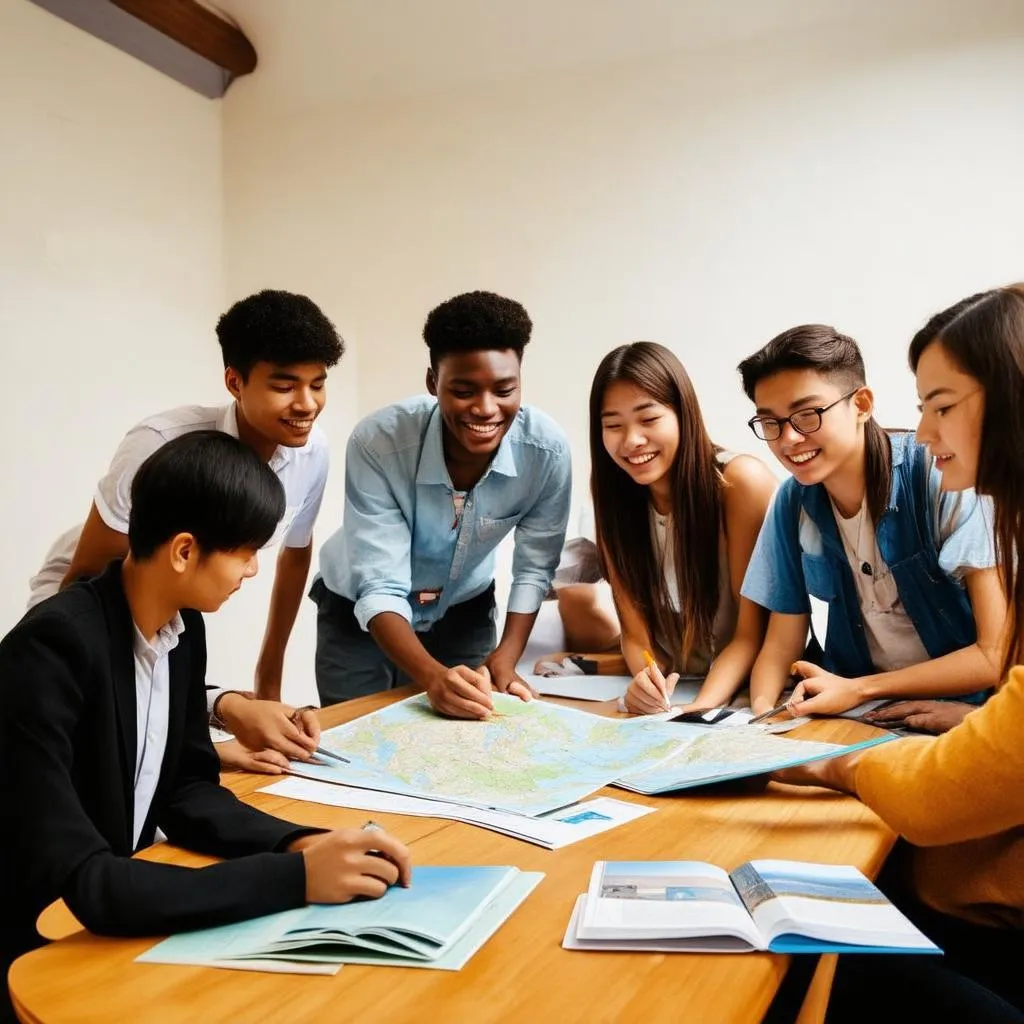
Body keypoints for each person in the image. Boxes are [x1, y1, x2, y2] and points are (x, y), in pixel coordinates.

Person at [0, 433, 411, 1023]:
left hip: (112, 927)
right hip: (38, 951)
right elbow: (90, 885)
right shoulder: (52, 647)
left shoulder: (180, 629)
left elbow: (186, 789)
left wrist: (300, 841)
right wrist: (294, 877)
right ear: (185, 551)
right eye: (245, 551)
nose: (252, 569)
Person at [775, 286, 1024, 1022]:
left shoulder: (940, 493)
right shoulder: (798, 504)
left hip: (982, 891)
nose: (922, 429)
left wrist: (826, 764)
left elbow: (935, 798)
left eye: (942, 405)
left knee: (821, 966)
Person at [27, 289, 344, 771]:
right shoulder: (160, 442)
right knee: (100, 748)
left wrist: (269, 682)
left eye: (317, 384)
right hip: (91, 591)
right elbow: (87, 577)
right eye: (285, 386)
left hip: (172, 607)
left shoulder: (311, 451)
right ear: (234, 381)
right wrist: (65, 653)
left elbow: (296, 552)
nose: (306, 404)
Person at [311, 290, 571, 718]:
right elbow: (380, 587)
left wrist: (506, 657)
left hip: (464, 609)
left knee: (469, 739)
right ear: (433, 382)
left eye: (505, 389)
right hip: (359, 613)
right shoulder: (377, 442)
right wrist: (432, 677)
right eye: (464, 391)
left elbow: (534, 567)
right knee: (357, 740)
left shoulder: (546, 452)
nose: (486, 409)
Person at [737, 324, 1004, 720]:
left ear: (861, 404)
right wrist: (763, 715)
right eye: (771, 423)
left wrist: (861, 689)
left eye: (807, 415)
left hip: (965, 712)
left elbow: (994, 653)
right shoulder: (794, 501)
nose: (789, 439)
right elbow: (780, 645)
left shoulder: (941, 476)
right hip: (862, 715)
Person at [589, 342, 777, 715]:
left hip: (739, 683)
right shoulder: (612, 495)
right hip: (683, 683)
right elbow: (634, 633)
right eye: (613, 425)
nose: (631, 441)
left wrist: (702, 707)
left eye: (649, 419)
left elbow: (749, 632)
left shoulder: (739, 482)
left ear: (683, 413)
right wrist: (647, 682)